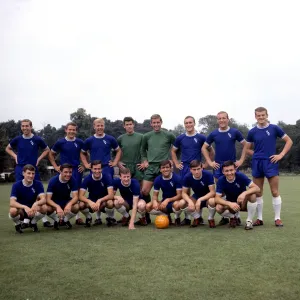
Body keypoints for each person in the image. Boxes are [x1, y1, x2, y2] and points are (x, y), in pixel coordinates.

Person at [246, 107, 293, 227]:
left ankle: (277, 218)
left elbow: (289, 141)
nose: (261, 117)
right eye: (258, 115)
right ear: (255, 117)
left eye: (263, 115)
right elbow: (247, 148)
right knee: (258, 192)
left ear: (267, 115)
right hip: (257, 163)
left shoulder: (274, 128)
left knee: (274, 191)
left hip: (271, 162)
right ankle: (260, 219)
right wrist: (256, 154)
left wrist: (281, 155)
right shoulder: (252, 131)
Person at [202, 111, 248, 225]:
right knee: (221, 192)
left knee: (232, 190)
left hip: (231, 166)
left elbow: (246, 145)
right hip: (218, 166)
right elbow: (204, 148)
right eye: (219, 118)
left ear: (228, 119)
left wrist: (241, 160)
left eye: (224, 118)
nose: (221, 120)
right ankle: (225, 217)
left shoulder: (234, 132)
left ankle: (235, 215)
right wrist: (210, 162)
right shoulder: (213, 134)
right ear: (217, 120)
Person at [5, 119, 52, 228]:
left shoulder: (37, 139)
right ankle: (25, 218)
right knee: (21, 192)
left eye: (27, 126)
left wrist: (39, 159)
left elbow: (47, 149)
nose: (25, 128)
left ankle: (43, 220)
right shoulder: (17, 139)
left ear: (31, 127)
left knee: (38, 193)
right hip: (21, 168)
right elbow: (7, 148)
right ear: (21, 127)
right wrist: (15, 156)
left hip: (33, 168)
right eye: (23, 126)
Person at [171, 115, 214, 225]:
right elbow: (173, 151)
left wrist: (206, 164)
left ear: (194, 123)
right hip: (185, 167)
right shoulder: (180, 138)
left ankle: (199, 216)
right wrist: (176, 163)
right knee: (186, 194)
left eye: (190, 122)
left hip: (197, 167)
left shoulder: (201, 137)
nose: (188, 125)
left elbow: (211, 151)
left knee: (201, 191)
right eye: (186, 123)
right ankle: (188, 218)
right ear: (184, 125)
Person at [48, 122, 85, 225]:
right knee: (60, 191)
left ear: (76, 131)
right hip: (64, 170)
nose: (72, 131)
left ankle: (77, 217)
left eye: (74, 130)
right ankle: (58, 216)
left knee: (76, 193)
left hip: (76, 170)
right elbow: (51, 154)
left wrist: (84, 165)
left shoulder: (80, 142)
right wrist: (55, 166)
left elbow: (85, 154)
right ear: (66, 130)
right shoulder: (60, 142)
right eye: (70, 129)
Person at [140, 114, 176, 222]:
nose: (156, 124)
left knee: (168, 191)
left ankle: (167, 213)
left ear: (161, 122)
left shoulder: (169, 135)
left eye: (158, 122)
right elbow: (142, 151)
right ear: (151, 123)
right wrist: (145, 160)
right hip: (151, 167)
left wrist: (172, 160)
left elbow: (176, 149)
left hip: (164, 167)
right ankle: (146, 216)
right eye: (154, 123)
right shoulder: (146, 136)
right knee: (145, 191)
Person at [213, 160, 260, 230]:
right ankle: (233, 217)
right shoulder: (221, 180)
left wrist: (244, 193)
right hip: (230, 205)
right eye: (226, 171)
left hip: (242, 203)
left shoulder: (240, 176)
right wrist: (229, 204)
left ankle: (249, 221)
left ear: (235, 170)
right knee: (218, 208)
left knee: (252, 195)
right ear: (223, 172)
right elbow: (217, 199)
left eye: (231, 170)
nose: (229, 173)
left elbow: (257, 188)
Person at [9, 164, 47, 233]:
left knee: (44, 208)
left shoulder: (38, 184)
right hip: (21, 210)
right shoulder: (16, 185)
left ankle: (33, 223)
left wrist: (36, 203)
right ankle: (17, 224)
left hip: (33, 209)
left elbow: (44, 199)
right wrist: (24, 207)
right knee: (13, 210)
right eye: (28, 173)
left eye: (33, 173)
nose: (31, 176)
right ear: (23, 173)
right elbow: (12, 203)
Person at [146, 160, 184, 226]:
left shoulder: (177, 178)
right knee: (148, 206)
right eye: (163, 168)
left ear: (171, 168)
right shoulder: (157, 179)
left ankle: (177, 217)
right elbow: (155, 195)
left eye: (167, 167)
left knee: (178, 204)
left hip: (175, 201)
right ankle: (166, 216)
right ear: (160, 170)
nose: (165, 169)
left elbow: (179, 195)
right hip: (164, 203)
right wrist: (154, 201)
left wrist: (168, 200)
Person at [79, 160, 115, 227]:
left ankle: (110, 218)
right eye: (95, 169)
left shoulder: (107, 177)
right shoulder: (87, 179)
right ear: (91, 169)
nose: (97, 171)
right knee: (80, 204)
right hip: (92, 201)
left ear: (101, 169)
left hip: (103, 202)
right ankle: (89, 217)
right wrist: (89, 202)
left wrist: (100, 200)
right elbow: (80, 196)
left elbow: (111, 195)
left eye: (99, 169)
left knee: (110, 203)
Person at [182, 160, 216, 227]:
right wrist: (189, 201)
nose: (196, 172)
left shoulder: (208, 175)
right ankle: (197, 217)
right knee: (183, 203)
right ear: (190, 170)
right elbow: (183, 193)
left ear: (202, 168)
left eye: (198, 169)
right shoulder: (187, 177)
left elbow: (212, 192)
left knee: (212, 201)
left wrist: (200, 200)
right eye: (194, 169)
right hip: (196, 196)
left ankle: (211, 218)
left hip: (208, 197)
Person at [45, 163, 79, 229]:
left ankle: (65, 220)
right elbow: (48, 199)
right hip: (55, 202)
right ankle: (57, 220)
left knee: (76, 206)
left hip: (66, 201)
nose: (68, 174)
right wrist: (57, 206)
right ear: (60, 171)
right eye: (65, 172)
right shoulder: (53, 181)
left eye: (70, 172)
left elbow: (76, 197)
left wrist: (69, 204)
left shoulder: (73, 180)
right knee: (46, 208)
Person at [117, 117, 144, 182]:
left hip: (138, 166)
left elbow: (147, 151)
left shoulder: (141, 137)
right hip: (125, 166)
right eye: (127, 124)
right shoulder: (120, 138)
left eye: (130, 124)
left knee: (140, 189)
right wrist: (118, 162)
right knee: (125, 188)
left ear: (133, 125)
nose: (129, 126)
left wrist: (145, 162)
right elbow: (115, 153)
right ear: (124, 126)